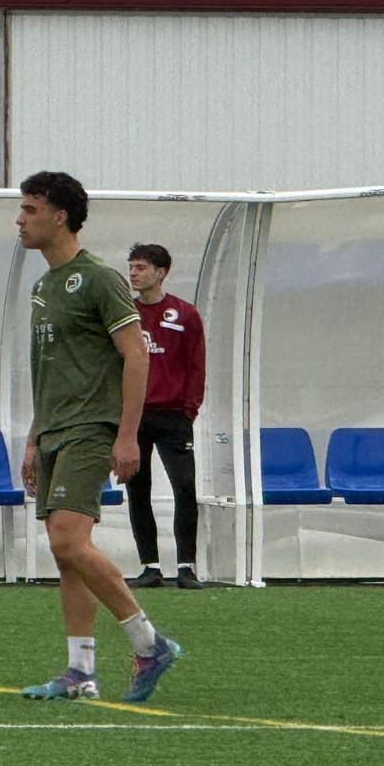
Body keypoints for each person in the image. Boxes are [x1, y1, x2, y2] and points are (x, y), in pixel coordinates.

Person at [15, 172, 180, 704]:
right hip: (56, 432)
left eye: (30, 209)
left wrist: (127, 435)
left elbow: (136, 353)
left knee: (68, 540)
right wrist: (35, 439)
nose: (20, 219)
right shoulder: (43, 287)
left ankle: (149, 644)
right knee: (65, 554)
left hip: (92, 428)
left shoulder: (99, 279)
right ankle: (80, 671)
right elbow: (49, 370)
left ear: (59, 216)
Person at [124, 243, 206, 590]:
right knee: (137, 490)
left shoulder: (185, 314)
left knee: (184, 487)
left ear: (161, 272)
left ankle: (186, 567)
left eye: (141, 267)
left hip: (174, 416)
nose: (133, 273)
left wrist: (188, 410)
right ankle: (150, 567)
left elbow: (196, 365)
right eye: (131, 267)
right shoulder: (124, 313)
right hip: (134, 416)